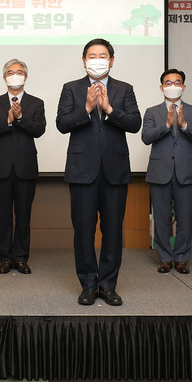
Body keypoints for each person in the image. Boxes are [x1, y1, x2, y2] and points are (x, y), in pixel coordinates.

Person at [55, 38, 141, 306]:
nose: (97, 60)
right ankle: (88, 285)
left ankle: (108, 285)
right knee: (83, 230)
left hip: (115, 170)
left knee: (113, 230)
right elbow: (62, 124)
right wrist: (87, 108)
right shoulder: (71, 88)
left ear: (111, 61)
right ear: (84, 61)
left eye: (102, 56)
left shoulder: (124, 89)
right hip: (82, 171)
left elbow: (135, 123)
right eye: (92, 56)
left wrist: (110, 110)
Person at [0, 59, 46, 274]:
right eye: (10, 72)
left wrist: (20, 118)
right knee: (3, 216)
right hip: (1, 167)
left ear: (25, 77)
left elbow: (39, 130)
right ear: (4, 77)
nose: (15, 75)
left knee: (23, 216)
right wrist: (8, 121)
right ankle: (5, 258)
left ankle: (20, 258)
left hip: (26, 167)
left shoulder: (36, 103)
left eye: (19, 72)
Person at [141, 69, 192, 274]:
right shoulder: (152, 112)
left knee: (185, 218)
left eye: (177, 82)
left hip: (186, 172)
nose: (173, 86)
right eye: (168, 83)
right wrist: (167, 124)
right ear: (162, 87)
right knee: (161, 218)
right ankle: (164, 258)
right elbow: (146, 138)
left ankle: (181, 258)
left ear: (184, 87)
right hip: (160, 171)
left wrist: (184, 125)